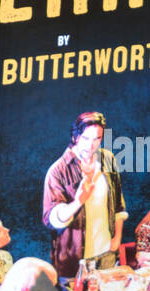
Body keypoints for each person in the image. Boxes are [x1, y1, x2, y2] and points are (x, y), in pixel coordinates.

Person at [42, 111, 128, 279]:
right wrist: (78, 202)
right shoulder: (58, 170)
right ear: (75, 137)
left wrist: (116, 239)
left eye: (97, 139)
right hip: (74, 260)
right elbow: (51, 219)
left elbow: (118, 204)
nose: (91, 145)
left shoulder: (107, 159)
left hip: (106, 254)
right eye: (86, 138)